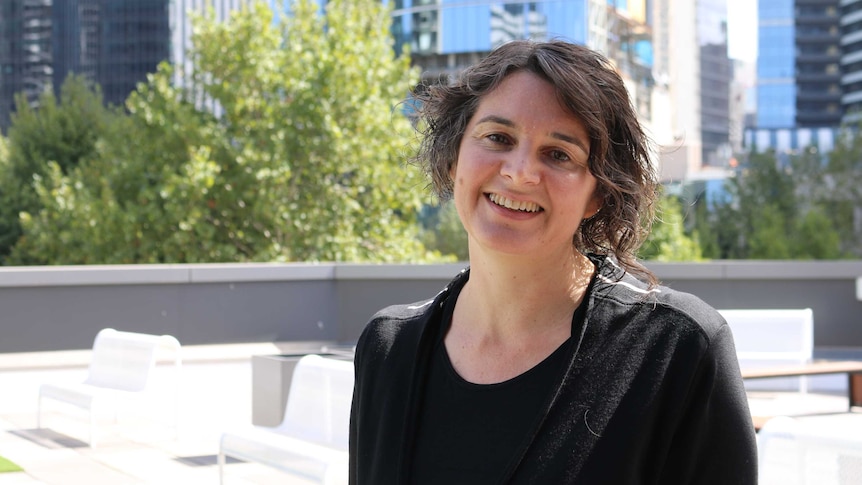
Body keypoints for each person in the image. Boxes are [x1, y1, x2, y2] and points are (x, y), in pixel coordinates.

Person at [349, 39, 757, 484]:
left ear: (598, 194)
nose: (520, 171)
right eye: (497, 138)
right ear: (453, 157)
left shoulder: (675, 349)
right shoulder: (388, 348)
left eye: (559, 154)